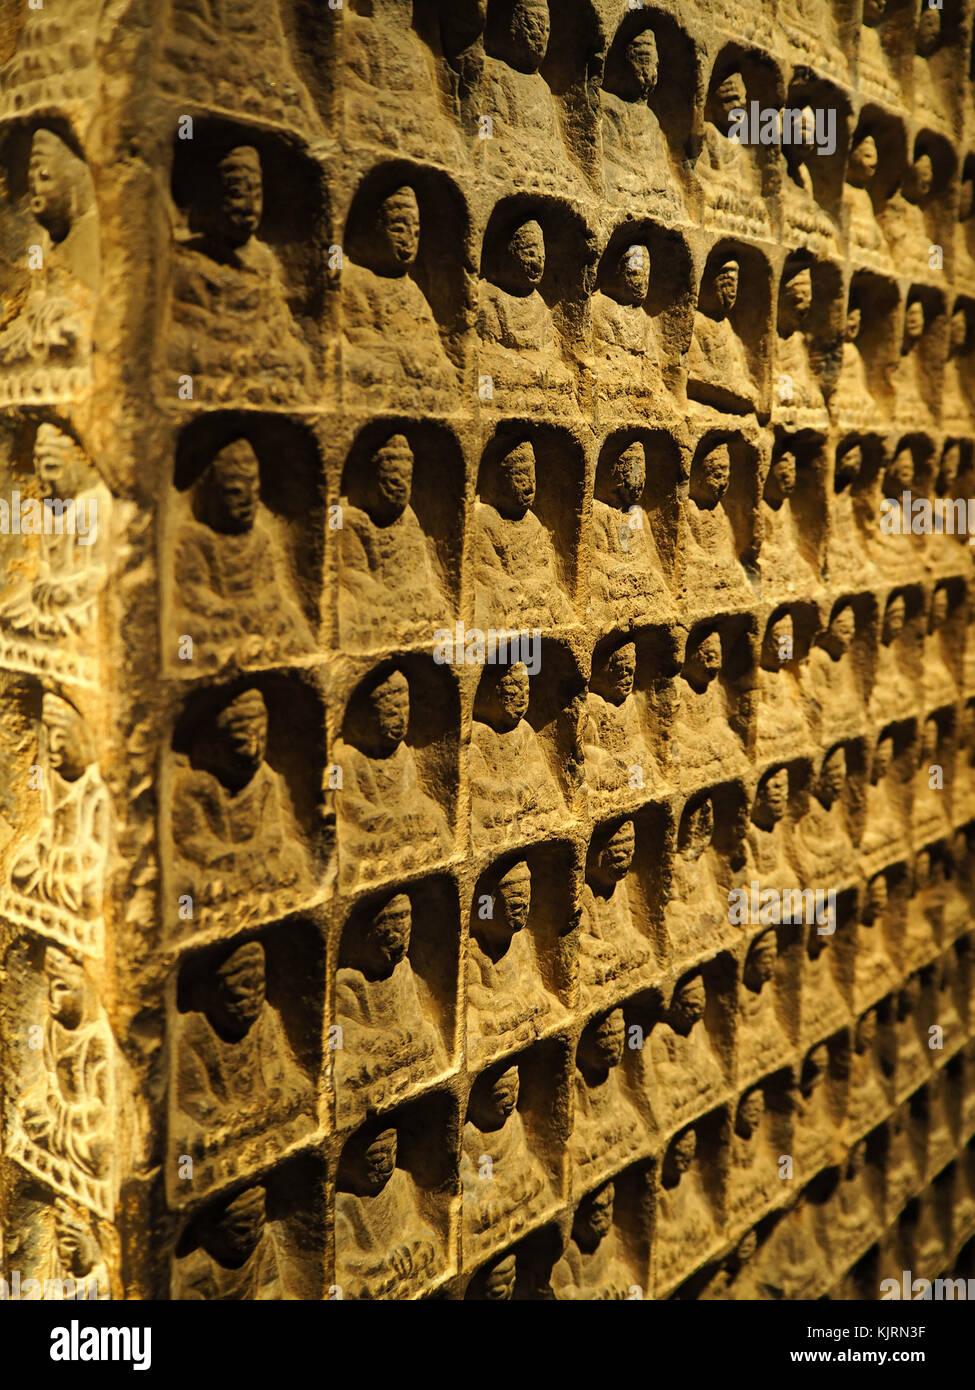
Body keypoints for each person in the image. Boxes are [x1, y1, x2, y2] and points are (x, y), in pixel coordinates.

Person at [174, 437, 313, 659]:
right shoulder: (196, 539)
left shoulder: (260, 538)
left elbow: (269, 586)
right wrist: (229, 609)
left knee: (289, 624)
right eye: (235, 492)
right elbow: (193, 591)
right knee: (191, 633)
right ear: (211, 492)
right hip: (220, 618)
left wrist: (262, 605)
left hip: (257, 614)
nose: (248, 501)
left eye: (255, 492)